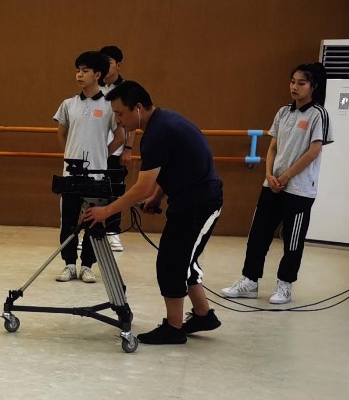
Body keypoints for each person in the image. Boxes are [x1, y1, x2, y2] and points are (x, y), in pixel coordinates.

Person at [83, 82, 223, 345]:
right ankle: (203, 315)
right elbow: (172, 168)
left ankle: (174, 328)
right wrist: (157, 197)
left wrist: (107, 211)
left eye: (120, 113)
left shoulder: (158, 133)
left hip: (201, 203)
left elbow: (142, 187)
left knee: (172, 263)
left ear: (137, 108)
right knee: (183, 260)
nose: (118, 120)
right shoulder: (162, 123)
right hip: (189, 200)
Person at [221, 63, 331, 305]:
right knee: (258, 235)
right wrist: (269, 174)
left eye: (301, 83)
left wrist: (287, 176)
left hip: (299, 190)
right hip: (271, 186)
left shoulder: (318, 114)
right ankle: (250, 281)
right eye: (292, 81)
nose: (295, 87)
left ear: (313, 86)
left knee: (293, 240)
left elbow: (314, 151)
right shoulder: (283, 112)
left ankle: (285, 285)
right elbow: (272, 147)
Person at [53, 51, 125, 283]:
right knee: (68, 221)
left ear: (97, 74)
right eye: (78, 70)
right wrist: (69, 155)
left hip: (97, 175)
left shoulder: (109, 105)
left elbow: (120, 136)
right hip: (70, 175)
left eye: (85, 71)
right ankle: (69, 264)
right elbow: (61, 133)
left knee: (93, 221)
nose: (79, 75)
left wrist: (102, 155)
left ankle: (87, 266)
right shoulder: (68, 104)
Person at [99, 45, 131, 253]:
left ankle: (112, 232)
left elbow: (131, 122)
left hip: (117, 150)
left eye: (109, 62)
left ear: (118, 65)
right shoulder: (94, 87)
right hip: (95, 151)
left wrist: (128, 148)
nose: (105, 66)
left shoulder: (127, 89)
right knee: (90, 191)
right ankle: (88, 231)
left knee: (114, 192)